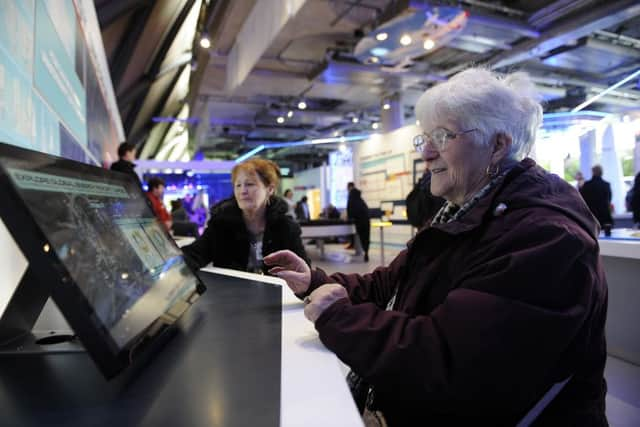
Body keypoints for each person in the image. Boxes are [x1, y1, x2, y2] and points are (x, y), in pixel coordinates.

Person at [264, 68, 608, 426]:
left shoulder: (546, 238)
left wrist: (338, 317)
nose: (426, 154)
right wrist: (314, 282)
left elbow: (447, 362)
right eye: (425, 138)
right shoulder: (460, 215)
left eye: (443, 136)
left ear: (498, 145)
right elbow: (390, 285)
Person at [181, 158, 309, 274]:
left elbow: (303, 269)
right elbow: (195, 255)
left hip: (278, 296)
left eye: (250, 184)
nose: (242, 191)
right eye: (238, 185)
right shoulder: (221, 224)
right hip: (232, 295)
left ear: (270, 189)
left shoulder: (285, 227)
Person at [580, 165, 613, 229]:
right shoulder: (606, 185)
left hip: (591, 216)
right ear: (601, 172)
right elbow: (609, 199)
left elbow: (582, 200)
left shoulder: (587, 185)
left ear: (593, 172)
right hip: (604, 216)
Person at [347, 182, 370, 262]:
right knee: (366, 237)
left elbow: (350, 209)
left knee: (360, 236)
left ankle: (362, 250)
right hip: (366, 219)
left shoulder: (351, 197)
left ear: (349, 187)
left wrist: (350, 218)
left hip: (358, 220)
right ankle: (366, 252)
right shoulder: (360, 198)